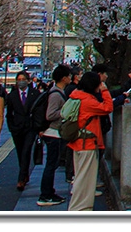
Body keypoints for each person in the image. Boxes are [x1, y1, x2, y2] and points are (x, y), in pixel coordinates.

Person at [66, 71, 113, 211]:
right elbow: (107, 108)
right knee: (86, 179)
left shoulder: (76, 96)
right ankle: (80, 208)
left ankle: (78, 208)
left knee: (81, 177)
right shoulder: (88, 101)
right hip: (87, 144)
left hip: (78, 143)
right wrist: (105, 91)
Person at [36, 64, 71, 206]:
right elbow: (50, 115)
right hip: (53, 133)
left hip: (54, 132)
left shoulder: (57, 91)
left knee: (52, 164)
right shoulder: (56, 94)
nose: (70, 78)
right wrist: (64, 112)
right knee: (51, 165)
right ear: (63, 78)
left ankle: (49, 192)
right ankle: (45, 195)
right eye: (68, 76)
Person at [4, 71, 41, 191]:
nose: (21, 82)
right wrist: (11, 127)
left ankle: (21, 178)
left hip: (30, 128)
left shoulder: (35, 94)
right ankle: (24, 173)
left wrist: (38, 127)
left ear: (28, 81)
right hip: (17, 128)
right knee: (20, 152)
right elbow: (9, 114)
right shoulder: (12, 96)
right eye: (19, 80)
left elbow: (39, 111)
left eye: (23, 79)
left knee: (26, 151)